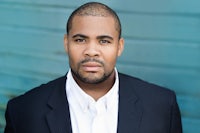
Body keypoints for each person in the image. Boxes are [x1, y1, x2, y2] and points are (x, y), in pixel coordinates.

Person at [4, 2, 182, 133]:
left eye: (104, 41)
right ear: (66, 43)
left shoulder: (162, 105)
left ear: (119, 47)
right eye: (80, 40)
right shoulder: (23, 110)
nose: (91, 51)